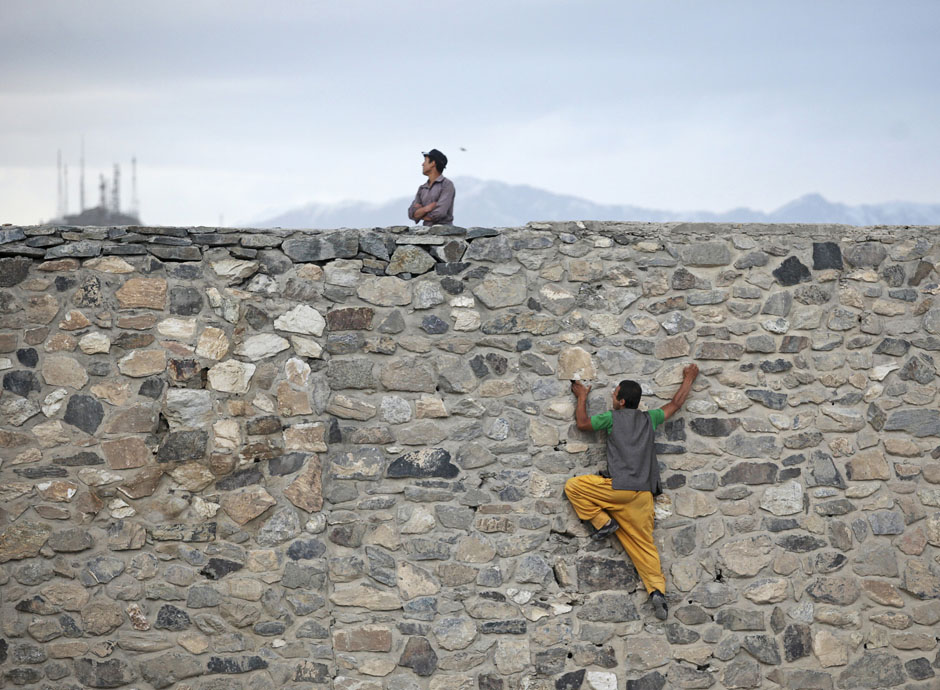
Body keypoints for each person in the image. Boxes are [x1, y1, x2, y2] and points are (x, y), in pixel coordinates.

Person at [565, 363, 700, 620]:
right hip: (643, 496)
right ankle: (657, 592)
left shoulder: (611, 418)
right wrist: (689, 378)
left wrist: (582, 396)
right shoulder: (651, 418)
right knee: (643, 547)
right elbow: (676, 403)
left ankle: (602, 523)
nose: (612, 397)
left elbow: (582, 424)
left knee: (574, 486)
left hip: (617, 489)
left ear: (621, 401)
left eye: (614, 394)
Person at [407, 148, 455, 226]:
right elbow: (411, 214)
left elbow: (440, 213)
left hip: (444, 233)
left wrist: (421, 213)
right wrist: (427, 208)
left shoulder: (447, 185)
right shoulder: (422, 188)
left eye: (425, 161)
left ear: (433, 163)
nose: (422, 164)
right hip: (426, 233)